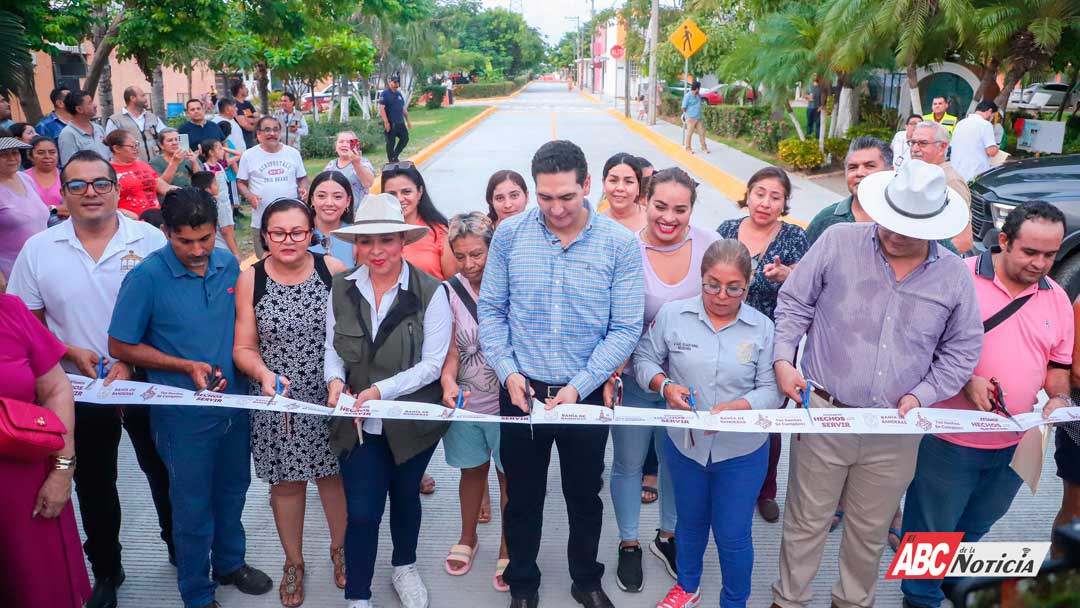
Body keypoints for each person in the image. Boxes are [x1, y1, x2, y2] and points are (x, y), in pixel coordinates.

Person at [768, 159, 983, 608]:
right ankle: (788, 600)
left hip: (895, 428)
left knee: (869, 530)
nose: (893, 233)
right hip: (824, 413)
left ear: (934, 227)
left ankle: (851, 602)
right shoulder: (836, 242)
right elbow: (793, 304)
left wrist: (922, 394)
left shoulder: (954, 276)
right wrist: (784, 361)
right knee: (805, 523)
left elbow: (962, 351)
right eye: (889, 220)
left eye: (907, 227)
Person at [478, 140, 644, 608]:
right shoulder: (510, 235)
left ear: (587, 186)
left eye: (566, 197)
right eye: (545, 197)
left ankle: (585, 579)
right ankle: (523, 584)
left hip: (585, 394)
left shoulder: (620, 244)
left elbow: (626, 325)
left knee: (584, 495)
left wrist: (580, 385)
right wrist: (508, 371)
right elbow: (491, 310)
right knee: (523, 497)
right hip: (521, 390)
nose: (555, 208)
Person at [7, 149, 174, 608]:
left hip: (145, 380)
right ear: (63, 195)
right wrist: (64, 350)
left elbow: (169, 314)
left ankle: (182, 550)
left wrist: (134, 361)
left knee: (164, 471)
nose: (91, 193)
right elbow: (28, 323)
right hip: (76, 386)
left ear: (117, 189)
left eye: (101, 183)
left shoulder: (151, 240)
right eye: (77, 185)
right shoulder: (40, 249)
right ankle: (106, 567)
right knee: (95, 483)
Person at [901, 200, 1073, 608]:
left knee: (978, 523)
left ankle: (950, 577)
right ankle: (920, 596)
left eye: (1050, 255)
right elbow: (916, 347)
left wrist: (1060, 397)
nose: (1040, 264)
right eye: (1029, 252)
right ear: (1003, 240)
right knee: (932, 527)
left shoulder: (1057, 299)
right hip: (949, 436)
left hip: (1017, 440)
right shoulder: (955, 278)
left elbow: (1057, 366)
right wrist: (964, 379)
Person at [108, 187, 273, 608]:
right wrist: (184, 366)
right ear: (166, 232)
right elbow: (120, 345)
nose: (199, 250)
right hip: (181, 415)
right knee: (192, 506)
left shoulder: (227, 264)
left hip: (235, 406)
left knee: (234, 489)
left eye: (206, 238)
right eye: (186, 241)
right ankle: (198, 592)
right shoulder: (145, 278)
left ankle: (230, 563)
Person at [633, 239, 781, 608]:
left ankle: (735, 600)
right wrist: (663, 385)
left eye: (734, 288)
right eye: (712, 284)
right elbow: (644, 359)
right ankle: (687, 586)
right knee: (690, 522)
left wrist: (741, 407)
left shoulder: (762, 328)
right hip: (686, 445)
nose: (721, 295)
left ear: (748, 286)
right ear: (701, 279)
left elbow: (772, 390)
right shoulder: (673, 315)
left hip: (741, 451)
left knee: (732, 533)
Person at [323, 192, 453, 608]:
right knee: (361, 511)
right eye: (366, 242)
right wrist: (334, 382)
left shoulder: (431, 292)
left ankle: (404, 566)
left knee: (406, 495)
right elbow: (332, 347)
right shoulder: (341, 288)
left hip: (411, 422)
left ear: (402, 241)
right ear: (355, 245)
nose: (376, 251)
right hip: (358, 425)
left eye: (387, 240)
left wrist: (381, 391)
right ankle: (357, 594)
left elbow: (433, 364)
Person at [604, 167, 718, 593]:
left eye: (680, 209)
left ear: (692, 209)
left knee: (676, 465)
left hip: (688, 388)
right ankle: (629, 542)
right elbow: (612, 318)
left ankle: (667, 537)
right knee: (629, 464)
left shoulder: (710, 245)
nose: (668, 217)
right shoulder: (623, 248)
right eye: (660, 206)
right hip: (634, 380)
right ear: (645, 201)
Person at [233, 198, 349, 607]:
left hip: (328, 395)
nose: (288, 240)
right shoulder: (252, 279)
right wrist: (263, 374)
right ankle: (293, 562)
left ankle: (341, 549)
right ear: (265, 235)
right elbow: (244, 346)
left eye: (297, 232)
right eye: (278, 232)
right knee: (287, 484)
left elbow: (349, 338)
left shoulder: (331, 271)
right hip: (276, 398)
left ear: (311, 234)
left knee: (333, 478)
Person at [717, 167, 808, 524]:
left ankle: (765, 490)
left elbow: (811, 285)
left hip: (774, 341)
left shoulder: (795, 238)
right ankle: (727, 480)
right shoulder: (726, 230)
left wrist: (789, 275)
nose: (765, 202)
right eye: (759, 193)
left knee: (767, 417)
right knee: (727, 405)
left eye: (775, 196)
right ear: (748, 194)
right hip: (725, 336)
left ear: (784, 202)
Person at [0, 294, 90, 608]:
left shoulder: (9, 311)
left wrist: (63, 470)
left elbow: (56, 388)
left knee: (39, 589)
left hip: (26, 487)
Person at [439, 211, 511, 590]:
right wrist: (448, 381)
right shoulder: (448, 291)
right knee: (471, 472)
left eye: (478, 254)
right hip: (466, 403)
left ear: (493, 249)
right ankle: (468, 536)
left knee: (508, 477)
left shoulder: (512, 286)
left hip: (508, 405)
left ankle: (507, 543)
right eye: (461, 255)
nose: (469, 264)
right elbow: (449, 349)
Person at [238, 116, 309, 258]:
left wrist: (303, 189)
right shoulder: (249, 156)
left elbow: (302, 178)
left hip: (291, 220)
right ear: (258, 134)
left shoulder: (292, 153)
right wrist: (250, 196)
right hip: (261, 220)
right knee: (264, 261)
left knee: (292, 259)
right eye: (267, 130)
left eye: (276, 129)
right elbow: (241, 182)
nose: (272, 133)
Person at [381, 161, 455, 280]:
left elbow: (452, 285)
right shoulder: (374, 233)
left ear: (419, 192)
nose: (399, 199)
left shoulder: (440, 233)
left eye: (406, 192)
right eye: (392, 194)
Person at [909, 120, 973, 253]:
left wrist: (925, 262)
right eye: (912, 142)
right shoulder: (918, 174)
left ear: (942, 147)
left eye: (923, 143)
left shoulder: (950, 181)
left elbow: (964, 240)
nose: (914, 149)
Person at [0, 134, 48, 280]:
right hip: (11, 270)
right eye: (4, 154)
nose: (12, 158)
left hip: (42, 263)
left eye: (15, 152)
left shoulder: (26, 178)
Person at [106, 130, 173, 219]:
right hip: (130, 221)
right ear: (117, 148)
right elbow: (104, 203)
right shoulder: (108, 171)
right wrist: (123, 214)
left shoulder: (142, 165)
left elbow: (164, 187)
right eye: (132, 146)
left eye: (137, 144)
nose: (136, 149)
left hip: (155, 218)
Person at [105, 86, 167, 162]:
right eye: (142, 96)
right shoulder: (115, 120)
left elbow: (166, 136)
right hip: (131, 167)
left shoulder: (153, 117)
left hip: (154, 167)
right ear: (133, 98)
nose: (146, 98)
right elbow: (109, 148)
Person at [307, 170, 357, 265]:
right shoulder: (299, 234)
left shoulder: (355, 235)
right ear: (312, 199)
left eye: (337, 197)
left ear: (348, 201)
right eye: (321, 196)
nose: (329, 203)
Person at [191, 169, 240, 259]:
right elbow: (226, 230)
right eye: (215, 184)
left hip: (207, 249)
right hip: (223, 248)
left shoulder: (196, 205)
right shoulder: (218, 204)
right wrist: (235, 253)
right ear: (208, 189)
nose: (218, 186)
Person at [949, 100, 1001, 183]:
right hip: (974, 173)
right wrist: (997, 147)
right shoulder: (985, 125)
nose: (992, 118)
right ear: (990, 111)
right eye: (993, 116)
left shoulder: (960, 123)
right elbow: (991, 151)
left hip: (956, 172)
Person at [324, 131, 375, 210]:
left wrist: (356, 163)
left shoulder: (363, 162)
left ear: (355, 145)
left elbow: (368, 183)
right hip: (337, 212)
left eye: (348, 142)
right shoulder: (331, 165)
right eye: (341, 142)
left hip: (359, 212)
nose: (344, 145)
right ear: (336, 145)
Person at [58, 90, 110, 166]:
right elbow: (69, 166)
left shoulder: (99, 129)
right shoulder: (68, 134)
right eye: (90, 103)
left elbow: (109, 155)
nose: (95, 105)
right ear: (79, 109)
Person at [597, 153, 646, 232]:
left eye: (629, 182)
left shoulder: (652, 221)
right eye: (613, 180)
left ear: (638, 187)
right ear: (603, 183)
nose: (620, 188)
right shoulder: (595, 225)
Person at [24, 136, 65, 211]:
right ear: (30, 156)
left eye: (52, 152)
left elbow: (72, 208)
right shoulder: (22, 178)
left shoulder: (66, 176)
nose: (47, 156)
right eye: (41, 153)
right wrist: (54, 210)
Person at [379, 76, 412, 163]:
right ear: (390, 82)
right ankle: (391, 160)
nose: (396, 84)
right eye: (394, 82)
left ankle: (395, 155)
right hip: (390, 122)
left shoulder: (399, 94)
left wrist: (408, 121)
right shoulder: (385, 94)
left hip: (400, 122)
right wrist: (386, 122)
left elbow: (403, 108)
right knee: (391, 142)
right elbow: (382, 108)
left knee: (405, 138)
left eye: (397, 82)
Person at [681, 82, 709, 155]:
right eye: (699, 88)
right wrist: (688, 115)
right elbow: (683, 107)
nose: (699, 90)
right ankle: (688, 148)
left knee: (702, 133)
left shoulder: (698, 95)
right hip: (690, 118)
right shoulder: (687, 96)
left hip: (698, 118)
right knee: (689, 134)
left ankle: (704, 147)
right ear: (697, 89)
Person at [231, 81, 258, 148]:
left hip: (252, 137)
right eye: (245, 87)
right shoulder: (234, 105)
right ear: (240, 90)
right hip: (243, 139)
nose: (247, 89)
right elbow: (244, 124)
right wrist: (257, 127)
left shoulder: (247, 103)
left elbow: (257, 116)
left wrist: (246, 119)